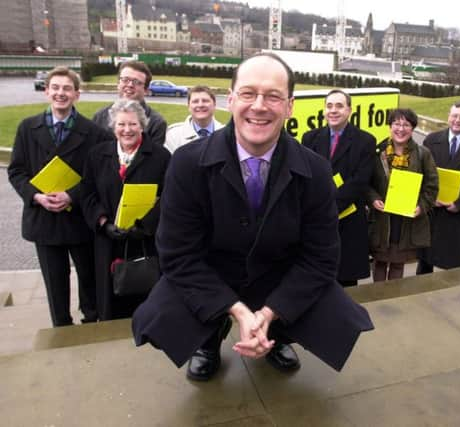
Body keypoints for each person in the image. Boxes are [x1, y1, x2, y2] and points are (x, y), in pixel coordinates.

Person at [131, 53, 374, 382]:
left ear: (289, 106)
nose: (259, 106)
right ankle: (210, 336)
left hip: (277, 273)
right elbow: (177, 255)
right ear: (230, 100)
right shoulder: (187, 163)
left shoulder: (316, 169)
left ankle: (276, 336)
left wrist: (270, 313)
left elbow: (321, 258)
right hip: (212, 274)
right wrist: (235, 309)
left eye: (273, 96)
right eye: (248, 93)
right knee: (157, 316)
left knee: (338, 315)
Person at [7, 66, 106, 326]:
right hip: (44, 219)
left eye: (67, 88)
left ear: (77, 94)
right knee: (55, 283)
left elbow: (99, 177)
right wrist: (36, 196)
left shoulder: (94, 132)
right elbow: (16, 170)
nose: (60, 93)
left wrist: (72, 195)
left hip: (79, 220)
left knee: (89, 280)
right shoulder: (27, 128)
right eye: (56, 88)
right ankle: (61, 328)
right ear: (47, 91)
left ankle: (91, 324)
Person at [80, 99, 170, 320]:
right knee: (110, 300)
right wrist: (103, 222)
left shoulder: (161, 156)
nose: (127, 130)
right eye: (121, 124)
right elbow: (87, 193)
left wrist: (144, 226)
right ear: (113, 126)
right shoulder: (97, 155)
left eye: (132, 124)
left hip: (144, 242)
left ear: (142, 125)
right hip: (107, 241)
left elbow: (168, 197)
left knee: (145, 301)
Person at [302, 89, 375, 287]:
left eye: (339, 106)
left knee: (346, 285)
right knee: (316, 280)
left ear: (349, 110)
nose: (333, 111)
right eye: (329, 106)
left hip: (349, 221)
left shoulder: (366, 141)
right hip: (317, 221)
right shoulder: (309, 139)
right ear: (324, 110)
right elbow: (306, 178)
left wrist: (331, 208)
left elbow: (359, 181)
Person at [416, 100, 460, 274]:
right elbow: (422, 172)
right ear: (448, 117)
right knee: (426, 260)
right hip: (433, 209)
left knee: (454, 263)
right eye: (454, 116)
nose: (457, 120)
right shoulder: (432, 140)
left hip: (457, 212)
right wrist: (430, 199)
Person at [367, 109, 438, 281]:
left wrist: (421, 207)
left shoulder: (423, 154)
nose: (401, 128)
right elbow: (366, 183)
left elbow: (432, 186)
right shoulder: (377, 151)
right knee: (380, 263)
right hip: (382, 218)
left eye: (406, 124)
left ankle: (393, 301)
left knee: (398, 264)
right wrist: (373, 198)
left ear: (412, 128)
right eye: (396, 124)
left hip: (407, 220)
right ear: (390, 126)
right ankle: (378, 298)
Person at [93, 61, 167, 145]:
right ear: (118, 84)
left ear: (146, 90)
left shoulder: (156, 123)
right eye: (125, 80)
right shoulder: (99, 117)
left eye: (136, 82)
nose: (130, 85)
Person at [164, 85, 224, 153]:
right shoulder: (174, 135)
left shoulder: (227, 135)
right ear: (189, 107)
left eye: (205, 101)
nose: (200, 105)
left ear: (214, 105)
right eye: (195, 101)